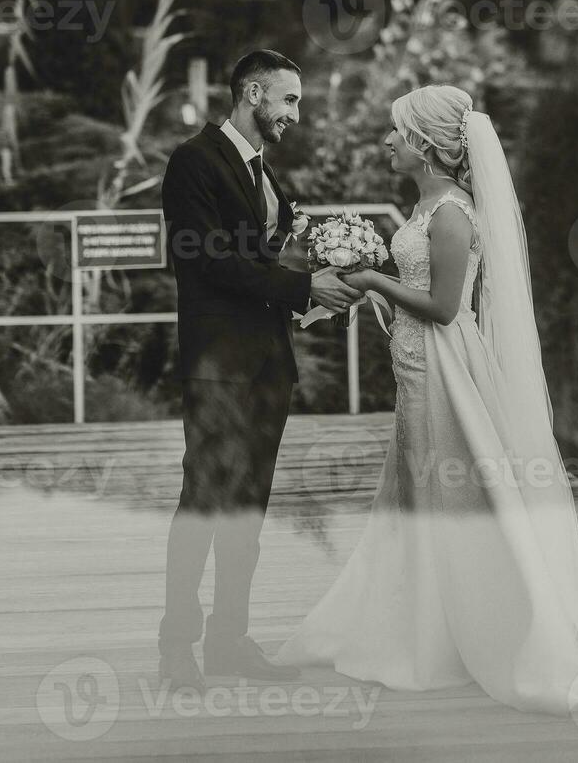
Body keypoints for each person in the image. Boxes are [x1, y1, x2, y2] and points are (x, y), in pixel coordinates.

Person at [274, 85, 578, 715]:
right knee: (417, 488)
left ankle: (479, 628)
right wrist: (373, 289)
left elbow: (446, 308)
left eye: (396, 133)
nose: (387, 142)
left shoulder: (451, 214)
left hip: (442, 365)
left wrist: (372, 278)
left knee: (450, 486)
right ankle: (426, 622)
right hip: (415, 362)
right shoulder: (426, 207)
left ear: (424, 145)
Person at [157, 50, 363, 692]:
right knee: (205, 501)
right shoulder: (194, 160)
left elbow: (265, 253)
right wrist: (305, 289)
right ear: (253, 93)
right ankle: (176, 646)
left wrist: (320, 263)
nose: (296, 115)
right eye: (290, 100)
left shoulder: (260, 171)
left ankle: (229, 640)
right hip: (218, 365)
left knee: (248, 506)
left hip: (269, 362)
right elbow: (206, 264)